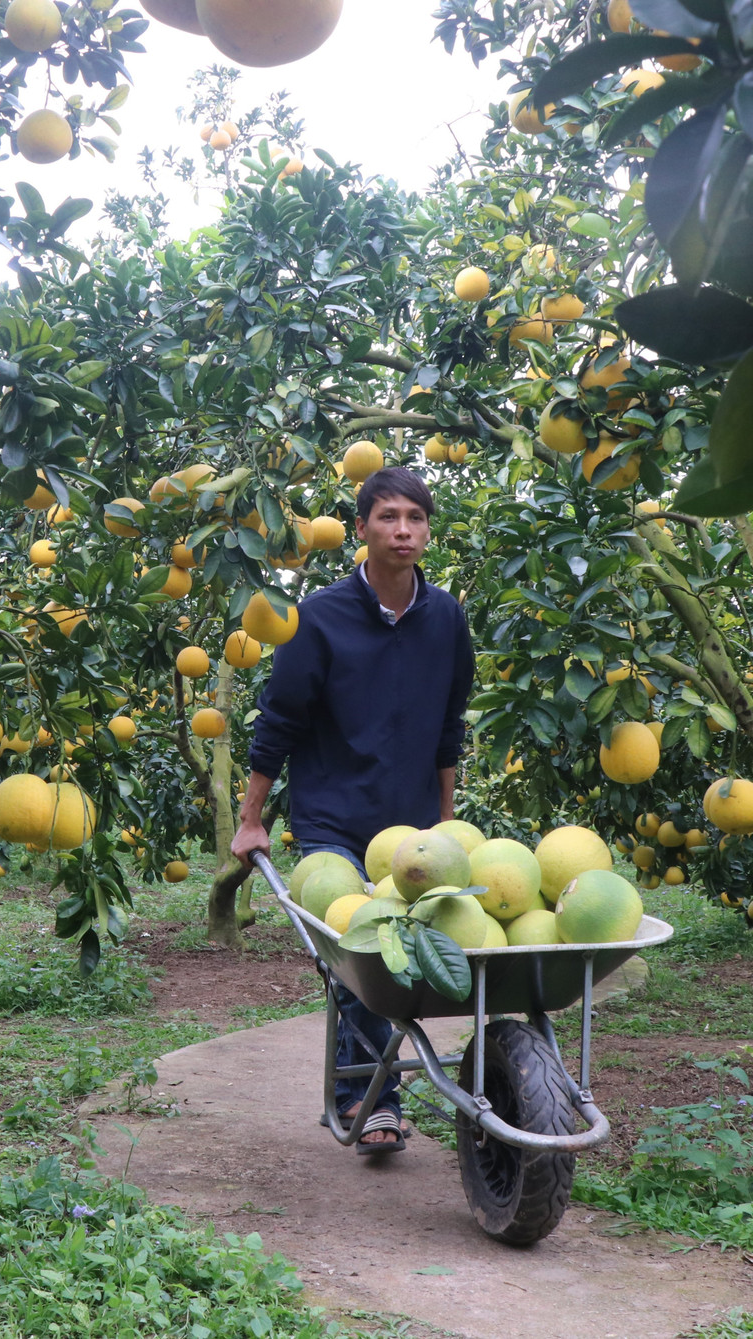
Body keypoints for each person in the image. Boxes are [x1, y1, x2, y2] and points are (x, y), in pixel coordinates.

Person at [230, 466, 475, 1153]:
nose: (404, 530)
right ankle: (369, 1099)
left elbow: (449, 726)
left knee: (406, 960)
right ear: (361, 527)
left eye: (416, 518)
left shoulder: (447, 618)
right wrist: (252, 818)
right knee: (360, 945)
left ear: (429, 529)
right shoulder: (320, 618)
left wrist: (446, 819)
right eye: (389, 516)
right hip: (333, 815)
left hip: (413, 829)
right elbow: (278, 721)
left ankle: (376, 1089)